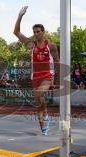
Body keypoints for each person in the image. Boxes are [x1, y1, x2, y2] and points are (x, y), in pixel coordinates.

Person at [13, 6, 59, 135]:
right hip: (35, 76)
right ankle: (44, 119)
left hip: (47, 75)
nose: (36, 33)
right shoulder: (31, 45)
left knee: (39, 94)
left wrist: (58, 78)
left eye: (38, 31)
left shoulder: (51, 45)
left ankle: (45, 116)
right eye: (34, 32)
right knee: (38, 101)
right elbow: (16, 32)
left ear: (43, 32)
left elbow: (57, 61)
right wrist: (20, 16)